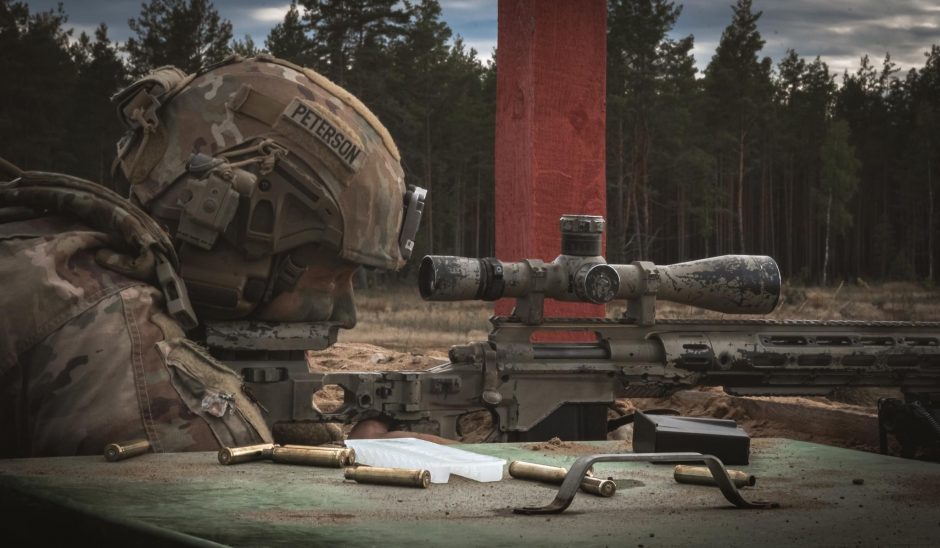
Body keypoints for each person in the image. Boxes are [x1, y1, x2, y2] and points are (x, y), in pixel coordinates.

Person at [0, 54, 424, 457]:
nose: (346, 314)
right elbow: (230, 524)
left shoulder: (47, 252)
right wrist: (362, 465)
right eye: (330, 279)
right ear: (225, 238)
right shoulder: (125, 343)